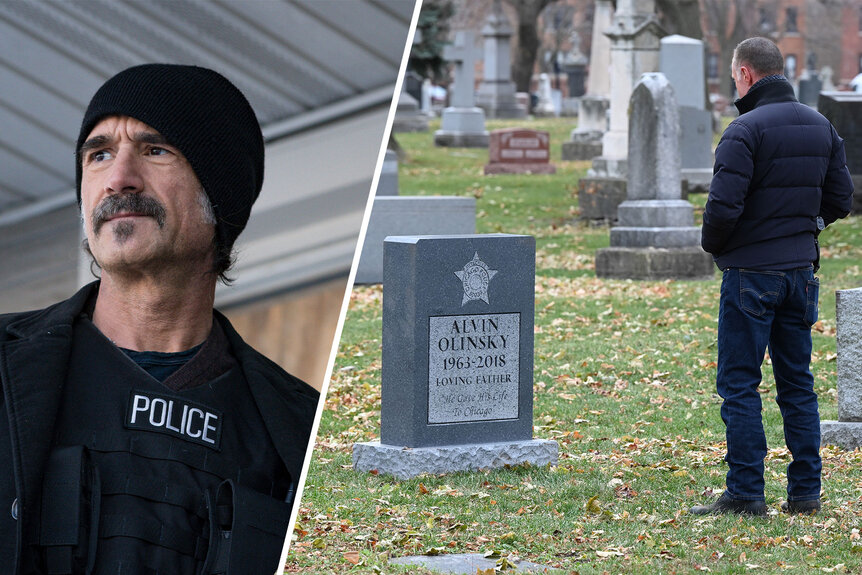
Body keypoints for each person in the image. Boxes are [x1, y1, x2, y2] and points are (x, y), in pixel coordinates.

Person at [0, 64, 320, 573]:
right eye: (99, 154)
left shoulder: (302, 433)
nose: (118, 179)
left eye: (155, 150)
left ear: (220, 193)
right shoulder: (5, 365)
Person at [693, 38, 854, 517]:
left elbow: (722, 207)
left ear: (744, 74)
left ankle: (746, 492)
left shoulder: (744, 130)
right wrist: (808, 227)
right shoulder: (821, 125)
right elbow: (841, 199)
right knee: (797, 383)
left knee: (740, 383)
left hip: (751, 274)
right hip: (800, 272)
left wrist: (717, 246)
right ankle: (805, 492)